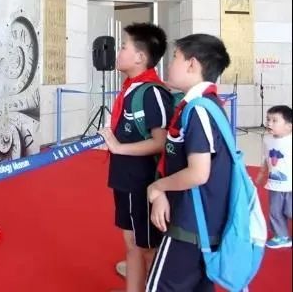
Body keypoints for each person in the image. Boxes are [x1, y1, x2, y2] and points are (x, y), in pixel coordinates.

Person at [145, 34, 232, 292]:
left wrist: (157, 187)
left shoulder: (199, 110)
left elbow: (198, 173)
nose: (169, 64)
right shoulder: (204, 105)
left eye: (175, 58)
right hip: (201, 224)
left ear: (192, 64)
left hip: (191, 225)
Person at [99, 23, 174, 292]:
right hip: (125, 179)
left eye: (123, 47)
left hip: (141, 181)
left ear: (140, 57)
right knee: (133, 245)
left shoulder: (151, 92)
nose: (118, 52)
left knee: (147, 248)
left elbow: (160, 141)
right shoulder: (131, 88)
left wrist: (119, 148)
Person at [256, 105, 292, 249]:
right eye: (268, 119)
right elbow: (266, 158)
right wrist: (261, 173)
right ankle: (282, 236)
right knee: (275, 211)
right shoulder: (267, 139)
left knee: (289, 211)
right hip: (274, 184)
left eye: (274, 120)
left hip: (290, 185)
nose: (269, 123)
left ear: (289, 126)